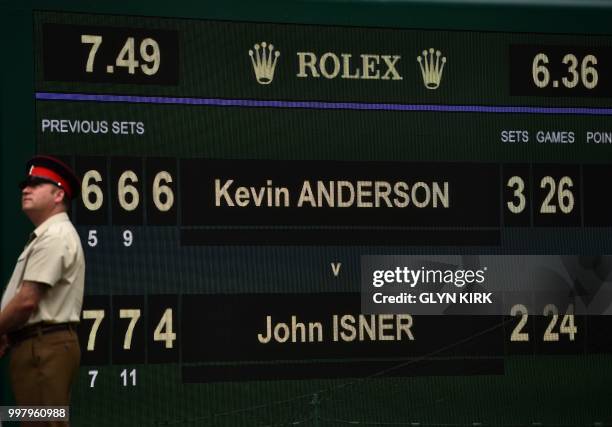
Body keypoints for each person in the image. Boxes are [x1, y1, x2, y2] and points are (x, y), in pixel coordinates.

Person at [0, 155, 84, 427]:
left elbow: (26, 301)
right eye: (26, 184)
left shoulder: (56, 235)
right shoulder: (47, 235)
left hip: (44, 347)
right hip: (37, 345)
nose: (26, 189)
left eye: (36, 184)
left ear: (59, 194)